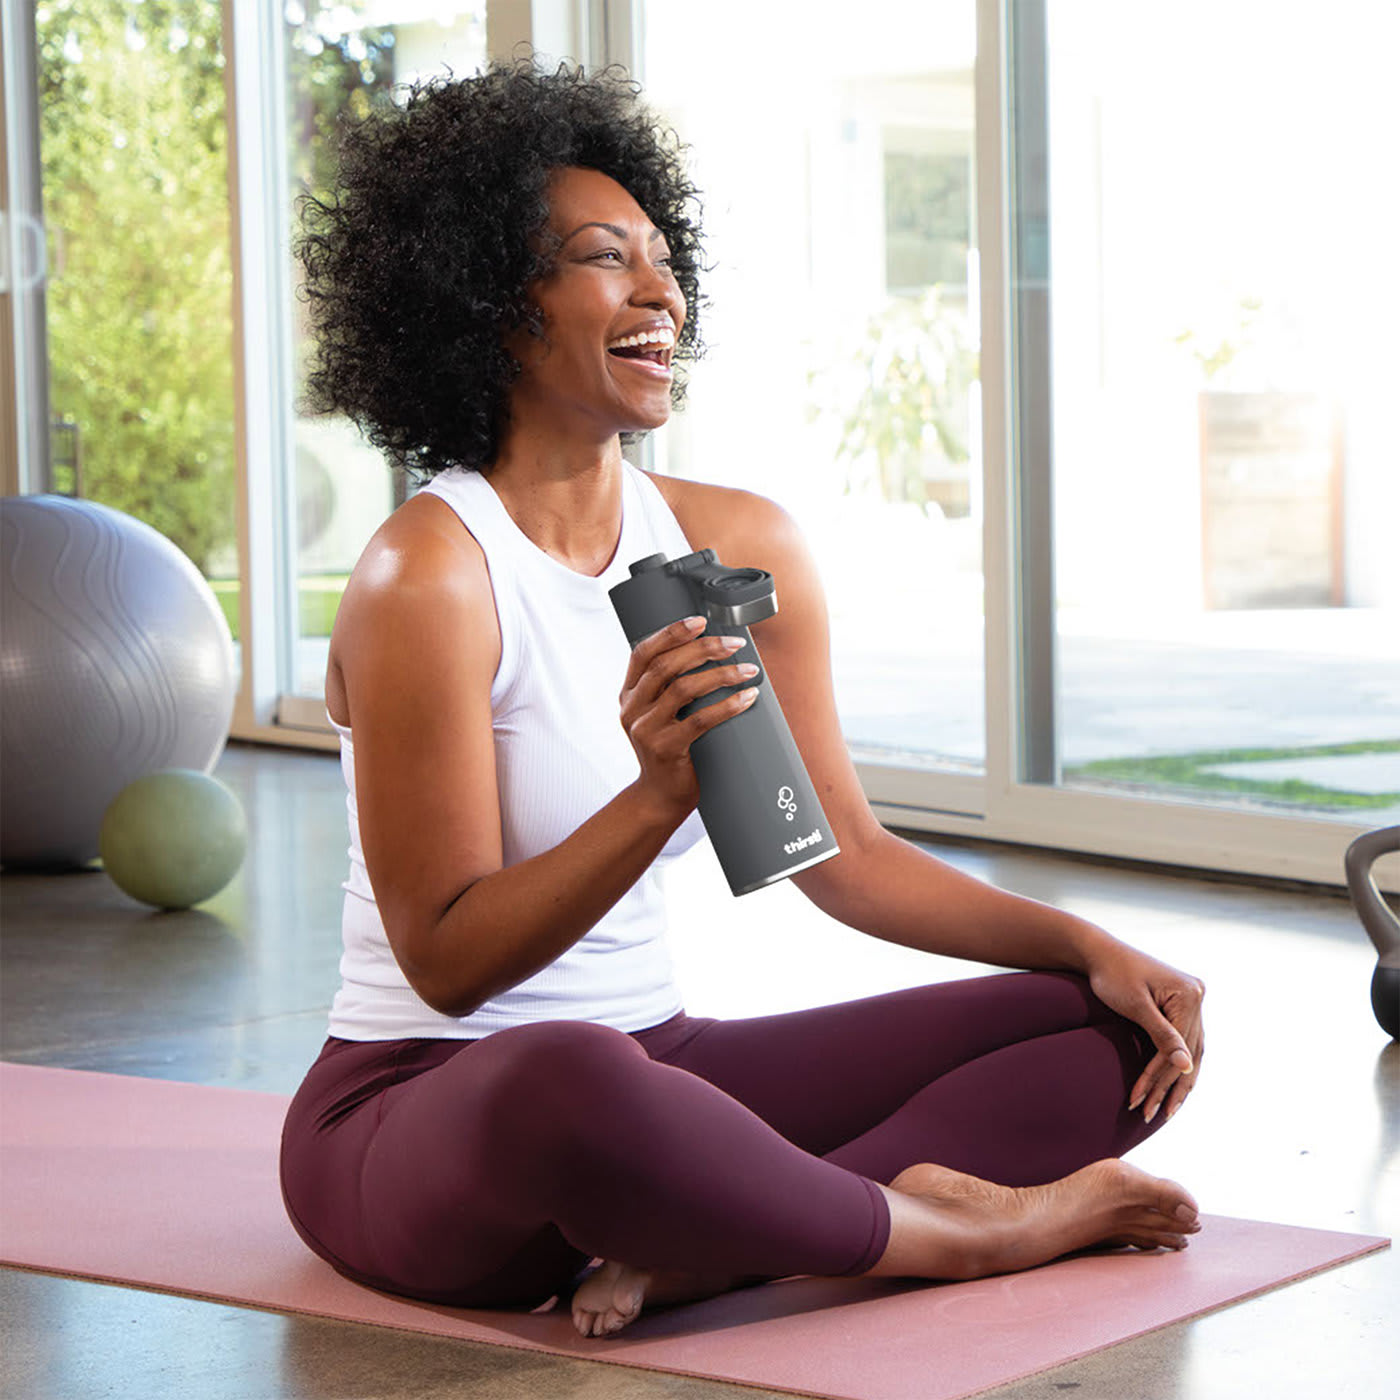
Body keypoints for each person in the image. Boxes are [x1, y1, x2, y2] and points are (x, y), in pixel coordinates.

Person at [280, 57, 1207, 1340]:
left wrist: (1083, 942)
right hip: (429, 1112)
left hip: (665, 1066)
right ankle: (940, 1232)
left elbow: (844, 860)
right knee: (572, 1070)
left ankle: (717, 1239)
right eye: (606, 258)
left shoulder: (728, 548)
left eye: (662, 259)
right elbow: (444, 964)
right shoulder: (429, 573)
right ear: (493, 305)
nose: (660, 290)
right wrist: (658, 792)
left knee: (1091, 1026)